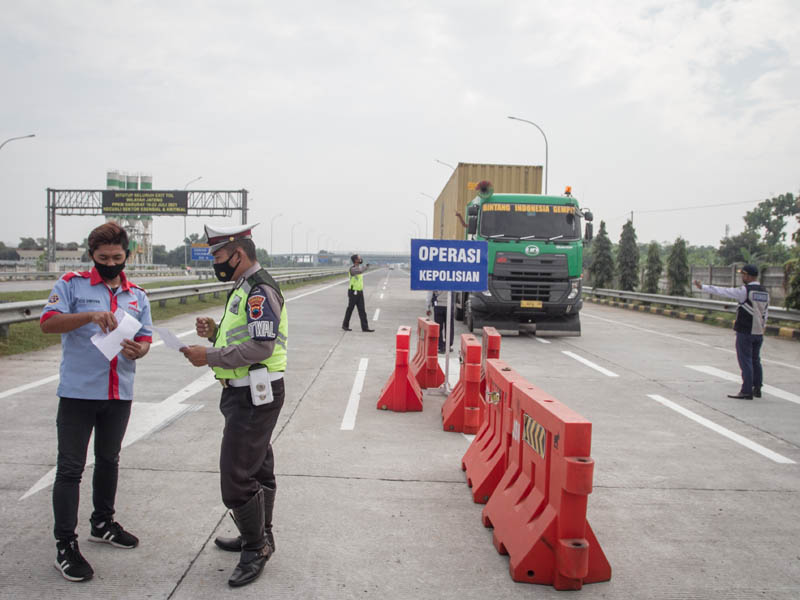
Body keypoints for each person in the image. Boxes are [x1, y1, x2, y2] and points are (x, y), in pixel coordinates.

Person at [39, 222, 152, 582]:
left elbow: (146, 337)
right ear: (92, 257)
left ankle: (102, 522)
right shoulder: (72, 285)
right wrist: (88, 316)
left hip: (119, 392)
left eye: (117, 258)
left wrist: (141, 349)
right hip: (78, 393)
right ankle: (65, 545)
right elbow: (47, 323)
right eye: (103, 258)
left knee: (109, 460)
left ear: (127, 255)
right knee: (70, 468)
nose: (110, 264)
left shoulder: (138, 295)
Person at [180, 222, 287, 588]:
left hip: (254, 394)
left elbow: (262, 347)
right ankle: (260, 535)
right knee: (258, 466)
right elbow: (244, 336)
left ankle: (255, 548)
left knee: (236, 478)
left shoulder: (259, 291)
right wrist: (214, 331)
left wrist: (208, 355)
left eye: (218, 255)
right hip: (244, 392)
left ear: (239, 253)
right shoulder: (243, 288)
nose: (215, 262)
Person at [693, 264, 769, 400]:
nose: (742, 277)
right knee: (755, 360)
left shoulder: (745, 290)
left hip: (745, 331)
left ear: (750, 276)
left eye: (744, 275)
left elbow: (724, 291)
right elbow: (766, 313)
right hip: (759, 332)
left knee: (745, 361)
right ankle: (757, 388)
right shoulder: (764, 292)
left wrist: (703, 287)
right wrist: (762, 328)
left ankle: (746, 391)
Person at [341, 253, 374, 332]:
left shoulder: (358, 267)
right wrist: (366, 266)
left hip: (359, 292)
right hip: (353, 292)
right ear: (355, 260)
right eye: (359, 258)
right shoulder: (353, 269)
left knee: (362, 310)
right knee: (350, 309)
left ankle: (365, 328)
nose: (360, 259)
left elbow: (361, 270)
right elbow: (360, 271)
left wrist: (365, 267)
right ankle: (345, 325)